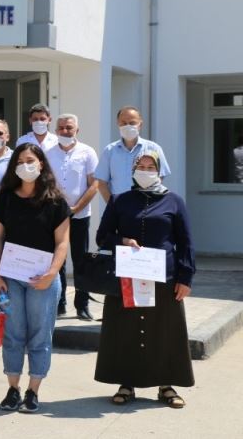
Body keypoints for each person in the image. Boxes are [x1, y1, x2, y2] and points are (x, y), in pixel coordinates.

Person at [94, 151, 195, 409]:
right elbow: (102, 236)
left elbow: (185, 242)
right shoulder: (120, 200)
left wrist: (185, 277)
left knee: (164, 329)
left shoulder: (174, 201)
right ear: (133, 170)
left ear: (159, 171)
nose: (146, 170)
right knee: (126, 329)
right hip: (128, 275)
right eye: (141, 165)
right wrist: (123, 241)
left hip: (165, 277)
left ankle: (166, 385)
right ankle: (126, 382)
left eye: (151, 166)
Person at [0, 143, 70, 413]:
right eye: (20, 161)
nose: (26, 165)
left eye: (31, 160)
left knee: (40, 336)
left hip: (43, 280)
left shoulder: (56, 201)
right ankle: (12, 388)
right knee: (13, 334)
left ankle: (33, 391)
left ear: (41, 164)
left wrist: (51, 273)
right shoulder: (6, 198)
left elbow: (62, 243)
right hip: (10, 278)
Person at [46, 114, 99, 320]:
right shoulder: (48, 153)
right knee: (57, 260)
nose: (65, 131)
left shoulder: (87, 152)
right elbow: (45, 183)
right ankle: (59, 303)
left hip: (80, 215)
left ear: (77, 130)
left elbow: (94, 184)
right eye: (61, 128)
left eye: (69, 128)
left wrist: (76, 207)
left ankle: (82, 304)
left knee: (80, 260)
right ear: (56, 130)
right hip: (54, 216)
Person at [95, 106, 170, 202]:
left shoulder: (153, 148)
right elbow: (101, 182)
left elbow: (160, 176)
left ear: (140, 124)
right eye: (124, 123)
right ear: (118, 124)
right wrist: (111, 206)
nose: (128, 126)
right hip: (119, 208)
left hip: (145, 206)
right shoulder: (110, 151)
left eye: (132, 123)